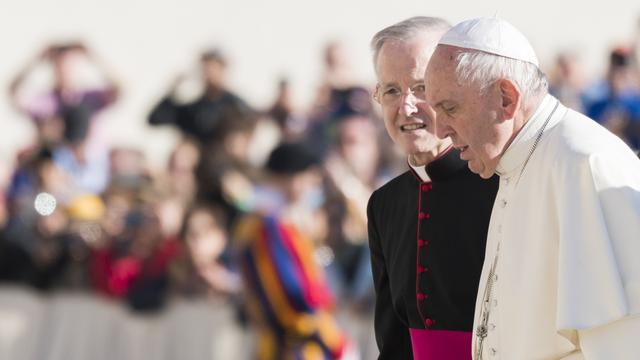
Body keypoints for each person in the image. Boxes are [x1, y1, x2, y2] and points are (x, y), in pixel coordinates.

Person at [425, 17, 640, 359]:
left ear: (506, 98)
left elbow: (622, 345)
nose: (440, 130)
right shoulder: (515, 161)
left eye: (450, 108)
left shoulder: (584, 164)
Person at [367, 17, 499, 359]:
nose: (406, 106)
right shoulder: (385, 203)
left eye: (421, 87)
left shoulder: (500, 184)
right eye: (392, 90)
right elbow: (392, 338)